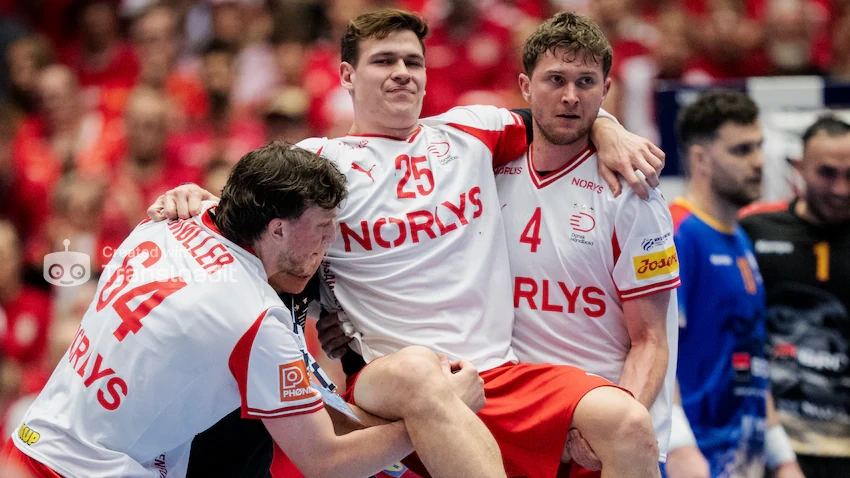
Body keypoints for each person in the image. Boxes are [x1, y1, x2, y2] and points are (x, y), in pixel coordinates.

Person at [149, 8, 668, 478]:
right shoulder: (318, 163)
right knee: (422, 369)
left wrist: (609, 129)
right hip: (390, 376)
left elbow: (560, 111)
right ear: (347, 76)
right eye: (384, 61)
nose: (402, 71)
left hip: (497, 373)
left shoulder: (474, 129)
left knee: (626, 422)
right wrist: (189, 198)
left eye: (413, 62)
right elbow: (241, 223)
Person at [0, 142, 497, 478]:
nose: (331, 240)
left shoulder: (164, 221)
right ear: (277, 228)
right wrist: (433, 415)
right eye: (324, 227)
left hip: (30, 443)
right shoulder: (254, 317)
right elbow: (325, 461)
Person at [493, 12, 679, 476]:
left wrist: (612, 427)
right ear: (525, 86)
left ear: (606, 90)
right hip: (517, 428)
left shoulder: (633, 193)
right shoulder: (489, 175)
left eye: (586, 82)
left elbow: (652, 341)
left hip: (600, 440)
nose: (571, 96)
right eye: (555, 79)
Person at [666, 90, 804, 478]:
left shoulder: (740, 237)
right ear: (701, 159)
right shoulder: (677, 234)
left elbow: (751, 350)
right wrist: (679, 448)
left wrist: (783, 458)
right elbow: (652, 347)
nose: (759, 162)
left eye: (759, 147)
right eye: (742, 150)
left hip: (744, 459)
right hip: (695, 458)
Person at [740, 115, 850, 477]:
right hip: (773, 445)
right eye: (827, 173)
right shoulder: (754, 232)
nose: (841, 189)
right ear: (799, 168)